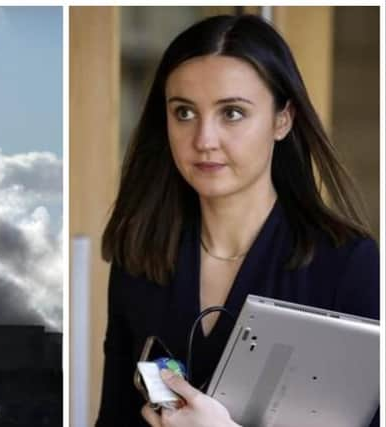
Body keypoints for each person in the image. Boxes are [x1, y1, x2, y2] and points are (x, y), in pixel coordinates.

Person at [96, 14, 379, 427]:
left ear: (283, 120)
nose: (204, 140)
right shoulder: (139, 257)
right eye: (184, 113)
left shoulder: (348, 266)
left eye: (231, 113)